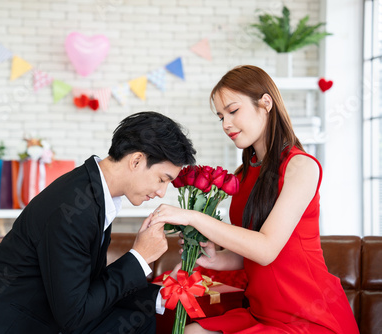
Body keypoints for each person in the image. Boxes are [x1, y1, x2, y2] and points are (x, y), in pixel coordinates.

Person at [0, 111, 196, 334]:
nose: (162, 192)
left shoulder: (93, 191)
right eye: (162, 179)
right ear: (137, 160)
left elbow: (85, 288)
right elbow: (74, 314)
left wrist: (160, 295)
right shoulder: (74, 207)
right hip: (2, 325)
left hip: (45, 316)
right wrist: (139, 257)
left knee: (136, 319)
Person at [150, 65, 359, 334]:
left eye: (233, 111)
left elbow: (267, 248)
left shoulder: (301, 167)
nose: (226, 124)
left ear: (266, 103)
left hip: (309, 315)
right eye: (220, 116)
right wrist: (216, 260)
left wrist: (192, 217)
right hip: (263, 313)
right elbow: (248, 253)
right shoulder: (243, 174)